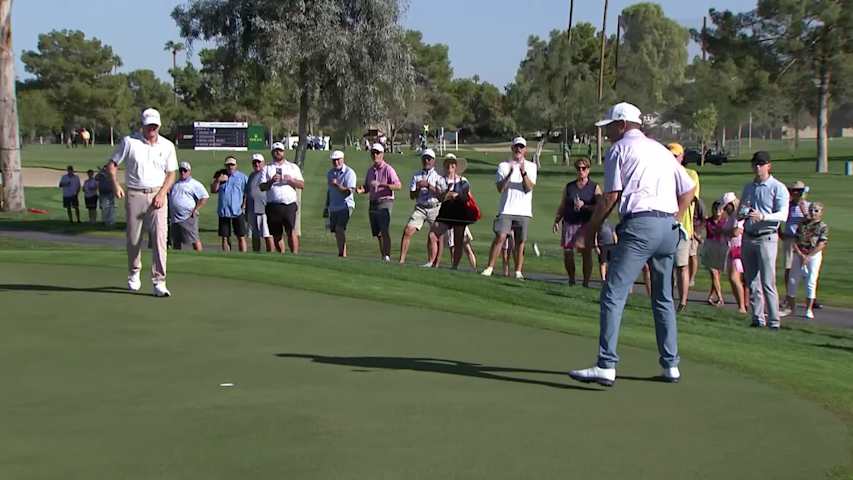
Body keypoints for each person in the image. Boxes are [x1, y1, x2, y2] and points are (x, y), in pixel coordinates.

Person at [569, 102, 696, 387]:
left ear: (623, 125)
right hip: (668, 229)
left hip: (641, 225)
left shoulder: (619, 149)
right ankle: (671, 365)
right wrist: (674, 218)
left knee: (613, 294)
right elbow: (688, 189)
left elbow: (611, 196)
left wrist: (589, 232)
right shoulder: (662, 150)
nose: (609, 133)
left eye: (611, 127)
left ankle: (606, 364)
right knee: (662, 298)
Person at [106, 108, 178, 297]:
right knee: (133, 239)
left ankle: (159, 281)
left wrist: (163, 193)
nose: (152, 129)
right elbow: (112, 165)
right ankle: (134, 271)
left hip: (158, 195)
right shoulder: (129, 142)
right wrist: (115, 185)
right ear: (143, 126)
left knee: (160, 239)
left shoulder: (167, 146)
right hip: (134, 194)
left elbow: (171, 174)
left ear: (159, 126)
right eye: (149, 126)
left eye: (155, 126)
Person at [740, 151, 789, 329]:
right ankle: (757, 318)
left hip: (767, 237)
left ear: (769, 165)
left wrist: (763, 216)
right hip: (749, 236)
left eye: (761, 164)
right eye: (755, 164)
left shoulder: (778, 187)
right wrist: (742, 215)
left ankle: (774, 320)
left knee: (768, 281)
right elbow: (742, 209)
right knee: (752, 281)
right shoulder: (749, 187)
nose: (758, 167)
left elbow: (783, 214)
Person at [481, 137, 538, 280]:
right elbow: (500, 188)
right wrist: (510, 175)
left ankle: (518, 271)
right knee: (500, 236)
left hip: (523, 210)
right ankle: (490, 267)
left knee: (520, 242)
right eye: (516, 147)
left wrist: (523, 172)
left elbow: (528, 188)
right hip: (506, 209)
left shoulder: (531, 166)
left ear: (525, 150)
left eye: (521, 147)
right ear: (512, 148)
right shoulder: (503, 166)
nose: (518, 149)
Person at [553, 156, 601, 287]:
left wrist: (584, 206)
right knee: (568, 253)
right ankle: (572, 279)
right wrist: (557, 219)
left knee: (586, 252)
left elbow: (599, 206)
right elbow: (563, 204)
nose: (581, 171)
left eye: (584, 168)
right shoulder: (569, 187)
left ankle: (586, 282)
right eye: (578, 168)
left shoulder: (594, 187)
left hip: (585, 223)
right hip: (569, 221)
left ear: (588, 170)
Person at [429, 154, 477, 269]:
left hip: (460, 212)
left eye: (452, 164)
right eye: (448, 164)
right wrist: (449, 193)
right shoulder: (440, 180)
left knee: (458, 241)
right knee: (433, 235)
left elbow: (466, 196)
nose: (450, 166)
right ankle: (433, 262)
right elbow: (440, 197)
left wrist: (453, 194)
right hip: (446, 211)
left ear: (455, 166)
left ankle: (454, 266)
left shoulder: (463, 180)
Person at [668, 143, 700, 312]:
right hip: (664, 226)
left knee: (681, 265)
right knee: (666, 267)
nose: (672, 159)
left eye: (675, 156)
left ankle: (683, 302)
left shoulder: (691, 174)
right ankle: (667, 300)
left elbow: (688, 196)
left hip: (682, 227)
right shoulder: (661, 174)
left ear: (681, 157)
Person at [356, 143, 401, 261]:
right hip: (373, 202)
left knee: (384, 229)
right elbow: (367, 186)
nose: (375, 155)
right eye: (373, 153)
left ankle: (387, 256)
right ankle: (383, 256)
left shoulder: (388, 169)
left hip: (385, 201)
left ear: (382, 154)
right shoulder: (370, 170)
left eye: (377, 153)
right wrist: (362, 189)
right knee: (378, 233)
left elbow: (398, 185)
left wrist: (382, 185)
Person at [783, 202, 828, 319]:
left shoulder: (822, 226)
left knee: (811, 282)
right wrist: (800, 254)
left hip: (813, 256)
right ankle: (791, 308)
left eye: (816, 211)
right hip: (799, 254)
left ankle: (808, 309)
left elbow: (822, 243)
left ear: (821, 213)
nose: (813, 212)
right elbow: (795, 240)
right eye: (812, 210)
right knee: (792, 280)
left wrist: (809, 256)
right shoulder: (802, 224)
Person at [400, 148, 444, 265]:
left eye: (429, 159)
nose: (427, 161)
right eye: (424, 158)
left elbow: (441, 196)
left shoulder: (438, 176)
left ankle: (434, 263)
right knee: (408, 231)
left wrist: (429, 186)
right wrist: (418, 188)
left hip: (435, 207)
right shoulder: (416, 176)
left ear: (433, 161)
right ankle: (401, 260)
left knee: (434, 236)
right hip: (420, 207)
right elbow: (411, 196)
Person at [260, 142, 305, 254]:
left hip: (289, 204)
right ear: (272, 152)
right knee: (276, 233)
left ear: (284, 152)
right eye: (275, 150)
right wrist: (271, 181)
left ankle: (294, 254)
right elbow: (262, 187)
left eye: (280, 150)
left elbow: (301, 184)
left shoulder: (292, 167)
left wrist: (291, 180)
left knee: (291, 230)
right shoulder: (267, 168)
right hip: (273, 205)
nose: (278, 152)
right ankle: (282, 255)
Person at [780, 181, 810, 312]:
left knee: (805, 271)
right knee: (788, 268)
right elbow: (781, 219)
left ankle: (809, 298)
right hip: (789, 239)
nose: (795, 193)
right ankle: (789, 297)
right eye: (793, 191)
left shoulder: (807, 206)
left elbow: (811, 222)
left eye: (797, 191)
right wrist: (780, 233)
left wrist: (804, 211)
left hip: (802, 241)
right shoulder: (788, 206)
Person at [211, 156, 249, 252]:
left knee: (241, 236)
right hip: (224, 211)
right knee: (225, 237)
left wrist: (244, 205)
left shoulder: (242, 177)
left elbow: (247, 193)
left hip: (237, 211)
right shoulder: (220, 176)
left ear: (236, 166)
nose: (230, 167)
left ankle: (243, 256)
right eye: (228, 165)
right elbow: (213, 190)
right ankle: (227, 255)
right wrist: (218, 180)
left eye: (232, 165)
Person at [168, 161, 209, 251]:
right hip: (175, 217)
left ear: (189, 172)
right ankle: (177, 258)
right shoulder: (176, 184)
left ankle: (200, 257)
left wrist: (195, 209)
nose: (183, 172)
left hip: (188, 216)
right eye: (181, 170)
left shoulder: (194, 184)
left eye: (185, 170)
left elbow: (204, 197)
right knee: (176, 240)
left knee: (194, 239)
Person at [720, 192, 748, 313]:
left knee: (734, 277)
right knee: (734, 278)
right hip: (732, 247)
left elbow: (736, 232)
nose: (725, 209)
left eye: (727, 207)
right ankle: (741, 304)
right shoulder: (731, 216)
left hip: (738, 247)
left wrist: (725, 232)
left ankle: (742, 306)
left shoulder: (738, 215)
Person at [326, 150, 357, 257]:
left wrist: (338, 185)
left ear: (343, 159)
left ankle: (342, 254)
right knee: (336, 231)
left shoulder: (349, 173)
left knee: (340, 228)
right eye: (334, 160)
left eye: (338, 160)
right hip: (334, 206)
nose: (336, 162)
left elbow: (349, 192)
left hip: (346, 205)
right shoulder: (330, 173)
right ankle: (341, 252)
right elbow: (329, 191)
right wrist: (327, 207)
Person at [246, 153, 275, 253]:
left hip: (264, 209)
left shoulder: (266, 174)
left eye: (259, 162)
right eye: (255, 162)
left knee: (267, 235)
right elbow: (247, 192)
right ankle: (256, 254)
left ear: (263, 163)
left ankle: (271, 255)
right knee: (255, 235)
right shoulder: (251, 175)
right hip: (252, 209)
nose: (257, 164)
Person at [701, 200, 727, 307]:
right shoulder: (708, 221)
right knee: (714, 273)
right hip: (710, 247)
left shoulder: (725, 222)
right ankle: (720, 298)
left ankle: (711, 296)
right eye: (715, 209)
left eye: (719, 209)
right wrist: (698, 239)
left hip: (720, 248)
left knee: (717, 275)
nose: (717, 211)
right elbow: (697, 228)